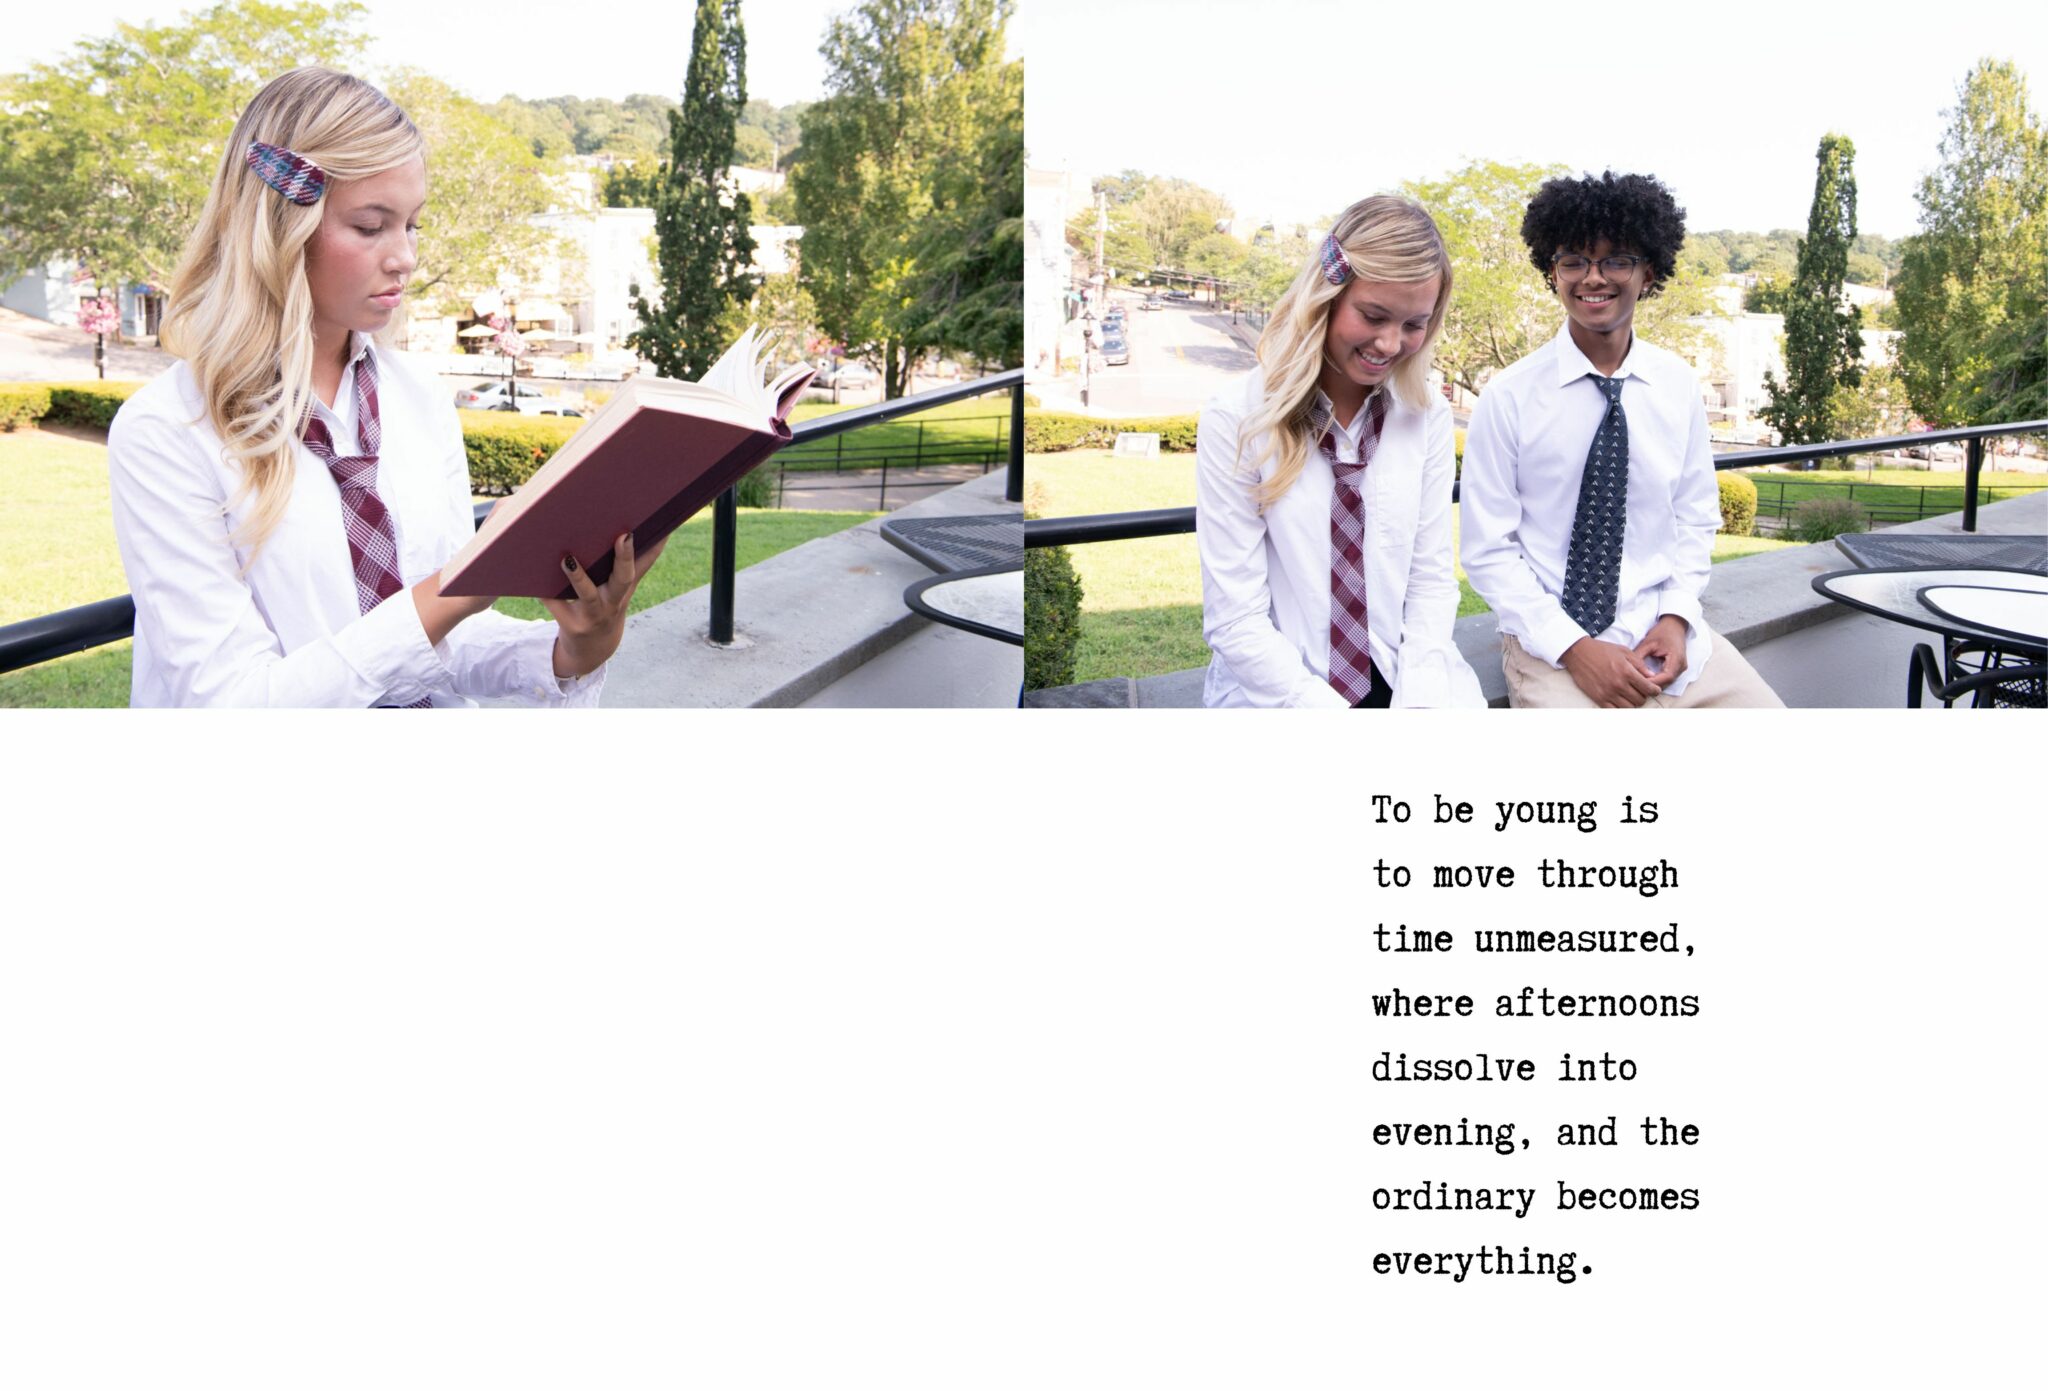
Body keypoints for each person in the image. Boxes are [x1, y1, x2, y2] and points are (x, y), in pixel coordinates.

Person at [108, 67, 661, 707]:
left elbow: (445, 639)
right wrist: (455, 587)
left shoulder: (418, 397)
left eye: (412, 225)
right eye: (371, 227)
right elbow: (231, 704)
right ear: (279, 228)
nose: (405, 258)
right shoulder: (167, 434)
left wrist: (575, 649)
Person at [1459, 171, 1783, 708]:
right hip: (1552, 648)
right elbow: (1488, 551)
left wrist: (1676, 618)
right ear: (1552, 272)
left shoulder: (1677, 385)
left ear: (1648, 273)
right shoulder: (1508, 396)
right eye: (1574, 261)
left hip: (1668, 638)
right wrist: (1577, 649)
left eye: (1616, 261)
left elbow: (1695, 517)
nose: (1593, 278)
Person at [1196, 195, 1481, 708]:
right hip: (1283, 696)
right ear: (1326, 297)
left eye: (1414, 324)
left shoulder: (1427, 415)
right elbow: (1235, 618)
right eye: (1373, 316)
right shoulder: (1237, 418)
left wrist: (1418, 702)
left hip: (1406, 678)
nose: (1390, 344)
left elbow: (1430, 579)